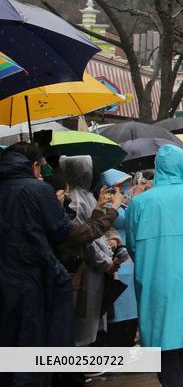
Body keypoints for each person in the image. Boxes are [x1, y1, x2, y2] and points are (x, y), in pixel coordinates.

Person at [0, 143, 120, 387]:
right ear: (34, 165)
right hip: (35, 284)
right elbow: (67, 235)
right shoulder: (38, 190)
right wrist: (110, 213)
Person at [125, 145, 183, 387]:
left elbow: (131, 243)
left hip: (153, 277)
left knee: (160, 336)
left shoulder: (140, 202)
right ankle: (182, 378)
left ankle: (173, 380)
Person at [61, 155, 121, 348]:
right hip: (86, 269)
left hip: (94, 268)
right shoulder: (75, 201)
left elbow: (93, 228)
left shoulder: (85, 197)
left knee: (92, 318)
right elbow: (86, 237)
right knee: (84, 319)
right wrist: (105, 263)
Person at [98, 169, 139, 348]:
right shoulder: (107, 206)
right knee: (118, 314)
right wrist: (136, 199)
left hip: (129, 261)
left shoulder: (122, 204)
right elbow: (126, 220)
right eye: (118, 186)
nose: (122, 189)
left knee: (130, 314)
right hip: (117, 263)